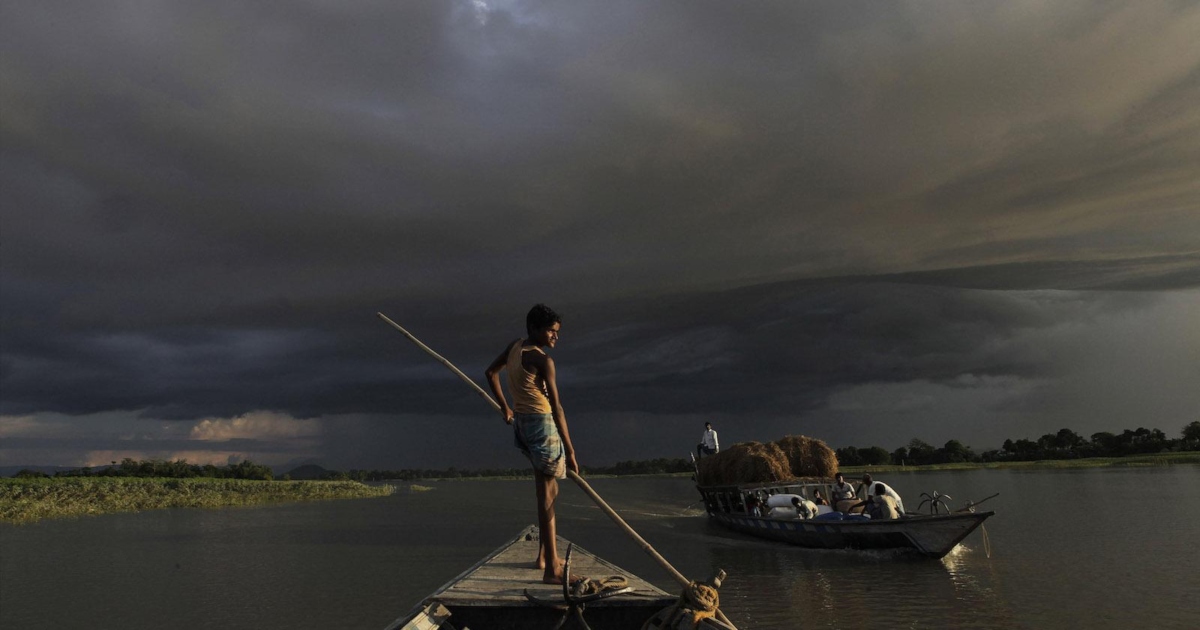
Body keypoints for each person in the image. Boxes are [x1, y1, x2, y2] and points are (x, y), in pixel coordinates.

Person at [485, 304, 579, 585]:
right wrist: (571, 451)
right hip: (542, 425)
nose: (555, 337)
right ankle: (552, 570)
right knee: (546, 495)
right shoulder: (542, 360)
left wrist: (507, 408)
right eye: (551, 331)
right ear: (534, 329)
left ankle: (543, 557)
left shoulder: (515, 347)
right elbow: (557, 407)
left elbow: (491, 373)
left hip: (524, 426)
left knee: (549, 491)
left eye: (557, 332)